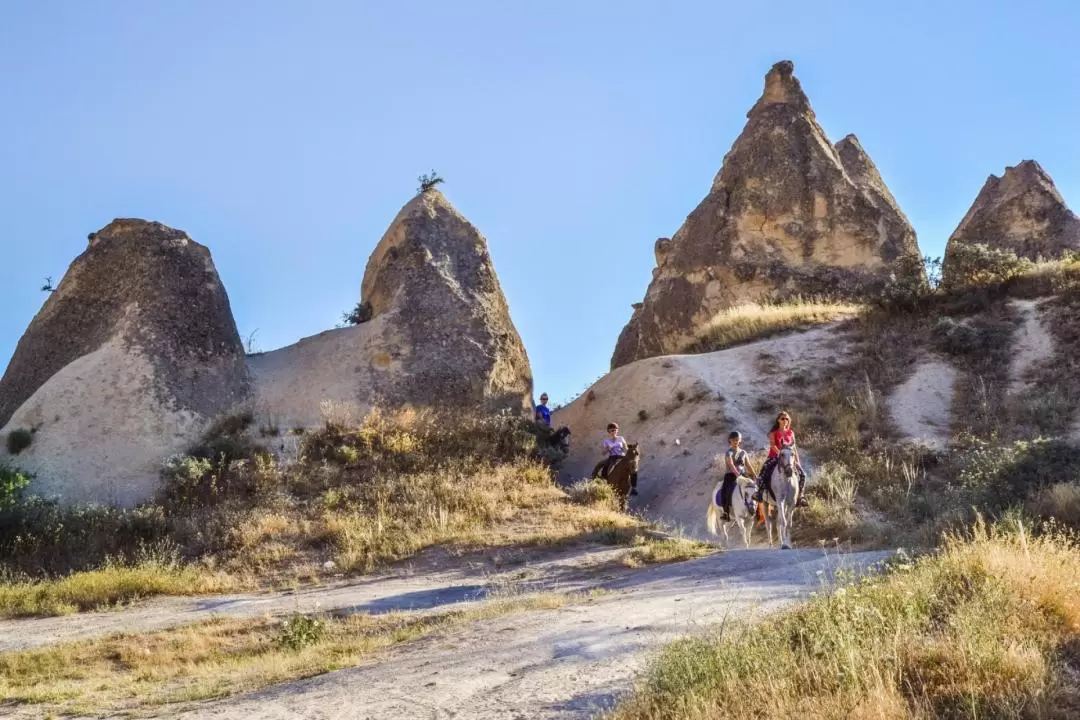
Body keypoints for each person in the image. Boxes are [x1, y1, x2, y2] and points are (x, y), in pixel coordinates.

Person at [752, 411, 809, 507]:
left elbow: (794, 448)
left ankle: (800, 496)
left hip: (789, 458)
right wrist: (780, 455)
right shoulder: (773, 433)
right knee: (764, 471)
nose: (785, 420)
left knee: (803, 474)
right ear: (778, 420)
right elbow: (773, 445)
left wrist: (797, 460)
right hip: (774, 456)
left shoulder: (791, 433)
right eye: (782, 418)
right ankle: (760, 493)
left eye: (787, 419)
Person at [720, 431, 756, 521]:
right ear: (730, 441)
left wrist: (754, 475)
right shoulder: (729, 453)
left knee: (754, 489)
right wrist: (737, 474)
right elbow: (731, 465)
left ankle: (759, 513)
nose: (735, 441)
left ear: (740, 440)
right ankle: (726, 513)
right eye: (733, 440)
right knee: (725, 492)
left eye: (737, 440)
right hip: (730, 475)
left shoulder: (743, 453)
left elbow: (748, 465)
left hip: (743, 475)